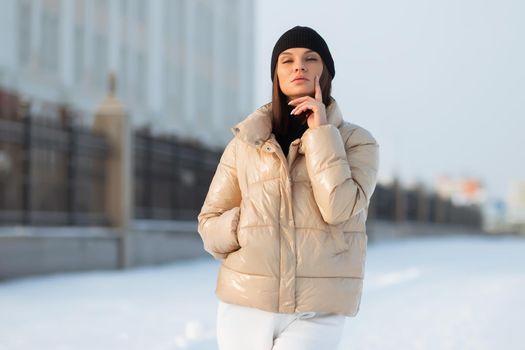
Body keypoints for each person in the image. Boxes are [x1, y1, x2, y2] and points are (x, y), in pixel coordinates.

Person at [197, 25, 379, 350]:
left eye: (311, 58)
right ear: (276, 74)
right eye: (287, 60)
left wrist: (322, 133)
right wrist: (241, 228)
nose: (299, 66)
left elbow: (339, 209)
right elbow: (210, 221)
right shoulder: (246, 143)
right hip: (246, 301)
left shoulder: (357, 142)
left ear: (326, 72)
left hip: (318, 308)